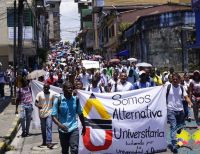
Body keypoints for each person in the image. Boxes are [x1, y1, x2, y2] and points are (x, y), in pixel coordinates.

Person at [52, 81, 86, 154]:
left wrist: (84, 126)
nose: (70, 89)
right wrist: (60, 125)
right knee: (65, 150)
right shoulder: (58, 100)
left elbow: (80, 113)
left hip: (74, 128)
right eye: (68, 88)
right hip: (62, 130)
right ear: (63, 89)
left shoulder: (76, 100)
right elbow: (53, 116)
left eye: (71, 88)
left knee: (74, 149)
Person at [166, 73, 192, 153]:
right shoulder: (168, 86)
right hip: (170, 110)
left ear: (179, 80)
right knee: (173, 126)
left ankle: (177, 138)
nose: (175, 80)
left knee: (179, 128)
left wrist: (190, 103)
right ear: (171, 79)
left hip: (180, 111)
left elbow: (186, 97)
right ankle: (174, 145)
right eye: (173, 79)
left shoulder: (182, 87)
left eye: (176, 79)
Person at [35, 84, 55, 148]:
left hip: (49, 113)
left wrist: (53, 111)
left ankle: (49, 142)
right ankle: (44, 141)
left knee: (49, 127)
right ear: (43, 88)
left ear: (49, 87)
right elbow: (36, 102)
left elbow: (53, 103)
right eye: (45, 87)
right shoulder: (39, 94)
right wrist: (38, 105)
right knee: (43, 128)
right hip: (42, 113)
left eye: (47, 87)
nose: (46, 88)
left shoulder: (52, 94)